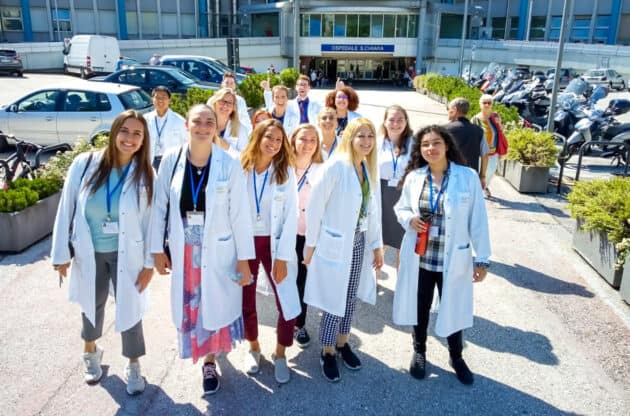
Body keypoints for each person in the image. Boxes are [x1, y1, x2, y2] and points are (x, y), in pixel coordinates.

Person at [149, 104, 255, 395]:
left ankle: (210, 358)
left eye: (209, 121)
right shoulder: (171, 160)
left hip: (219, 248)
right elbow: (159, 206)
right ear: (187, 124)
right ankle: (204, 357)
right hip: (185, 249)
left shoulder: (229, 162)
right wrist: (156, 249)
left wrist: (245, 259)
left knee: (214, 302)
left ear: (216, 126)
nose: (204, 126)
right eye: (198, 120)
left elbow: (240, 214)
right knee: (193, 304)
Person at [51, 110, 155, 395]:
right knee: (91, 304)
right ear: (113, 132)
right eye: (125, 131)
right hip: (90, 250)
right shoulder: (84, 164)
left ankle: (134, 365)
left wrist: (149, 264)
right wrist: (61, 254)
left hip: (128, 253)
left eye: (137, 134)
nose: (130, 138)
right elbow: (66, 208)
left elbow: (151, 223)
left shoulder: (145, 173)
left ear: (144, 140)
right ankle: (90, 350)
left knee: (130, 308)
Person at [393, 125, 490, 386]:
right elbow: (400, 208)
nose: (431, 149)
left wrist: (482, 259)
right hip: (421, 257)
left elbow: (478, 220)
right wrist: (409, 219)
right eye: (425, 145)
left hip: (453, 259)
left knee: (454, 307)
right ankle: (420, 350)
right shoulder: (415, 177)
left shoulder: (467, 177)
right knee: (420, 307)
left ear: (446, 145)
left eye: (436, 143)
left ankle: (456, 357)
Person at [303, 117, 384, 382]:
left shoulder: (366, 168)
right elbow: (314, 207)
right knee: (332, 298)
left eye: (370, 136)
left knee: (349, 296)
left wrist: (377, 245)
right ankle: (326, 350)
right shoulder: (336, 166)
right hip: (335, 243)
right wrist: (311, 244)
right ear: (349, 137)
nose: (366, 141)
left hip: (358, 240)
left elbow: (372, 212)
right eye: (360, 135)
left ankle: (342, 341)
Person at [240, 119, 301, 384]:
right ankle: (253, 347)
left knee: (285, 301)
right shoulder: (240, 167)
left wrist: (285, 256)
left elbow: (290, 216)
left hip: (274, 244)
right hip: (244, 243)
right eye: (269, 138)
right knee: (245, 298)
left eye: (279, 140)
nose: (274, 144)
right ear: (257, 137)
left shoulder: (285, 171)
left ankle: (280, 353)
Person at [289, 124, 324, 348]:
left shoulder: (322, 168)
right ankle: (285, 320)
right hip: (285, 233)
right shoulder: (283, 166)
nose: (308, 144)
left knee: (302, 279)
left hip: (308, 234)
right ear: (293, 140)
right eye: (303, 139)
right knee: (283, 279)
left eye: (313, 140)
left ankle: (298, 324)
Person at [377, 105, 413, 263]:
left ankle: (402, 287)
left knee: (403, 247)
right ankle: (372, 285)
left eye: (400, 120)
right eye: (391, 120)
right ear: (385, 122)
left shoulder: (415, 143)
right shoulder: (377, 143)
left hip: (405, 195)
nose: (395, 124)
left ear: (406, 122)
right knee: (378, 243)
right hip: (381, 195)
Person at [444, 97, 488, 188]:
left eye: (448, 109)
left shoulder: (445, 129)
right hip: (470, 175)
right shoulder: (479, 131)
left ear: (455, 110)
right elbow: (485, 155)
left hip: (449, 174)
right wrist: (482, 176)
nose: (447, 111)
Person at [144, 86, 188, 169]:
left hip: (172, 162)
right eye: (157, 97)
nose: (160, 100)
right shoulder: (145, 119)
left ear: (169, 100)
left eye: (164, 97)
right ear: (152, 100)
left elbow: (187, 142)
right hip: (150, 161)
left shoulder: (179, 120)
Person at [471, 94, 506, 197]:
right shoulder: (475, 119)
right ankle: (479, 189)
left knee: (491, 171)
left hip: (493, 151)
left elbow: (501, 130)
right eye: (484, 103)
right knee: (480, 172)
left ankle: (485, 186)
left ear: (492, 104)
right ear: (480, 104)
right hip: (480, 152)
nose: (486, 105)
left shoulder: (495, 116)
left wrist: (499, 123)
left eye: (489, 103)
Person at [207, 88, 249, 156]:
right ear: (215, 103)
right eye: (222, 101)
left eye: (229, 103)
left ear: (233, 108)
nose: (225, 105)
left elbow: (245, 159)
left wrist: (228, 148)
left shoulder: (241, 129)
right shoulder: (204, 125)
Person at [221, 72, 253, 136]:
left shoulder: (240, 101)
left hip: (234, 134)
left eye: (232, 83)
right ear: (222, 84)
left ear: (235, 86)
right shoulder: (214, 99)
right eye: (227, 83)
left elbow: (245, 119)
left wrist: (246, 135)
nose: (229, 85)